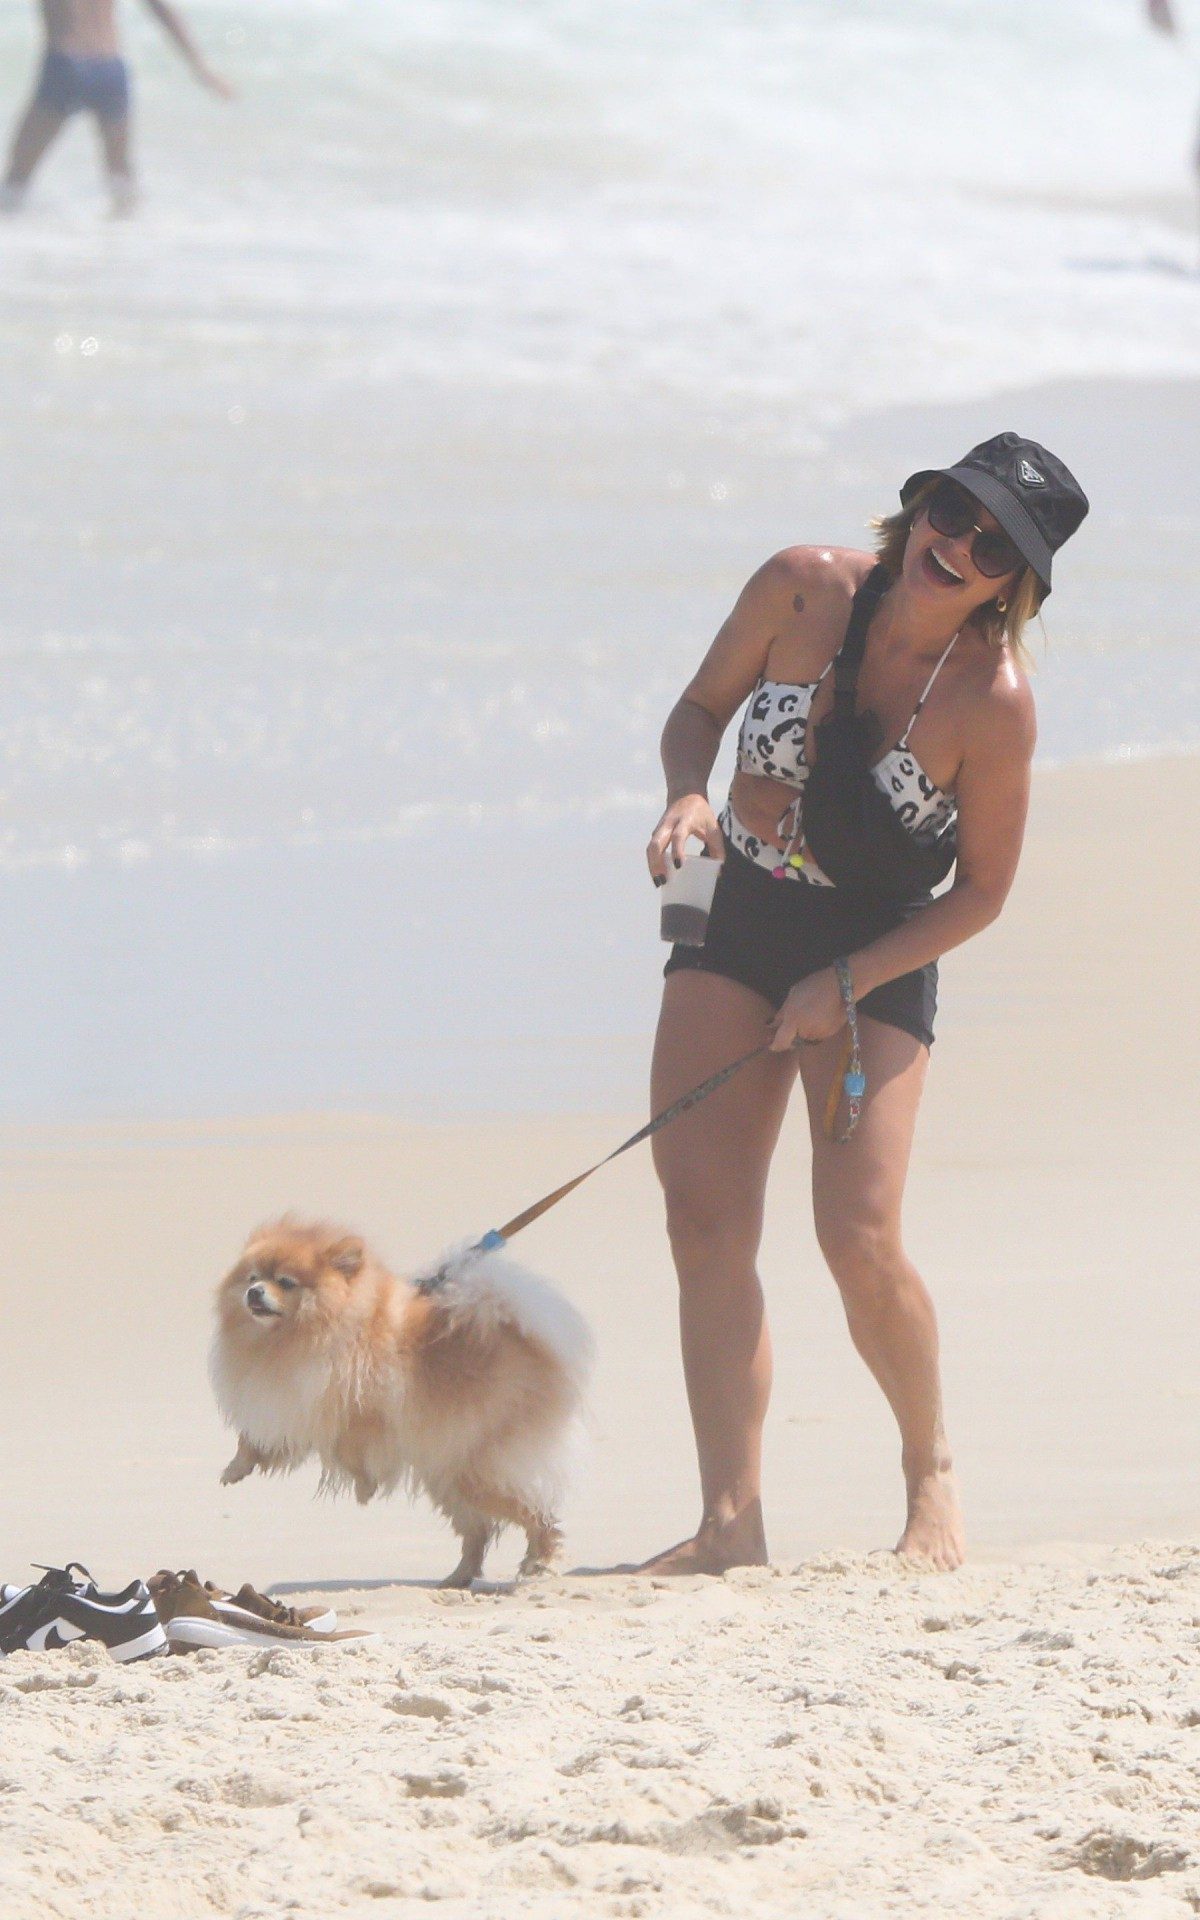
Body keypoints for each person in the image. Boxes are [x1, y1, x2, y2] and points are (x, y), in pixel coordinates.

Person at [644, 433, 1088, 1575]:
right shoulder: (804, 584)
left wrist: (843, 982)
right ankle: (730, 1521)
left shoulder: (995, 703)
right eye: (954, 510)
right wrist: (687, 797)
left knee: (859, 1237)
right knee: (703, 1218)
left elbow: (983, 892)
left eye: (995, 545)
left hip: (877, 946)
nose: (960, 545)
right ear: (919, 505)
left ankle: (927, 1470)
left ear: (1016, 582)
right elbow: (698, 708)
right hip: (734, 905)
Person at [2, 0, 233, 217]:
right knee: (121, 175)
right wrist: (199, 66)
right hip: (110, 69)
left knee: (17, 176)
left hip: (66, 65)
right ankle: (127, 243)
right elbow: (161, 10)